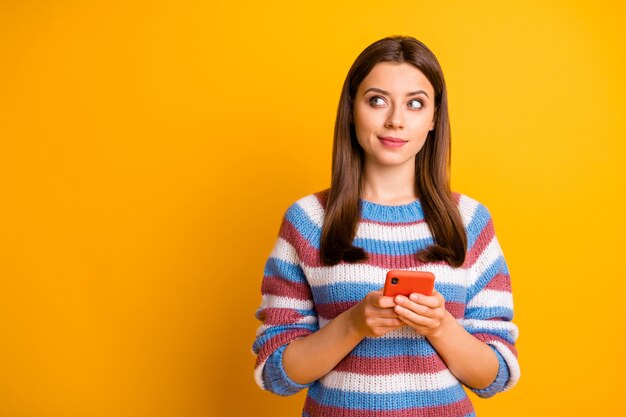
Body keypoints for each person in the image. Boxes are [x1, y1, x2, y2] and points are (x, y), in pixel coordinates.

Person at [252, 35, 520, 417]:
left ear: (432, 119)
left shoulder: (470, 221)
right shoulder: (308, 219)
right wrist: (353, 323)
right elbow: (275, 373)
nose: (395, 120)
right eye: (377, 100)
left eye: (415, 104)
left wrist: (439, 325)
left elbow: (495, 374)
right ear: (351, 110)